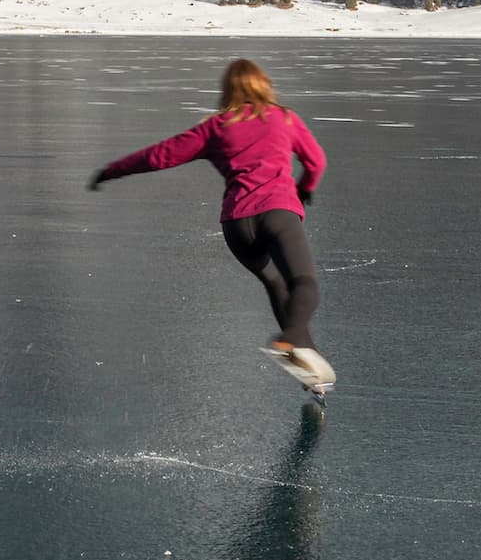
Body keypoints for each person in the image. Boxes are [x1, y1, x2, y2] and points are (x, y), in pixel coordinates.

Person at [91, 59, 334, 393]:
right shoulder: (284, 118)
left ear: (228, 90)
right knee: (304, 283)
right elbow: (316, 161)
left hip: (237, 225)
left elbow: (160, 155)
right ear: (264, 85)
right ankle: (291, 340)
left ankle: (310, 371)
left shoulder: (215, 128)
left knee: (275, 285)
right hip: (277, 214)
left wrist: (111, 170)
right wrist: (304, 188)